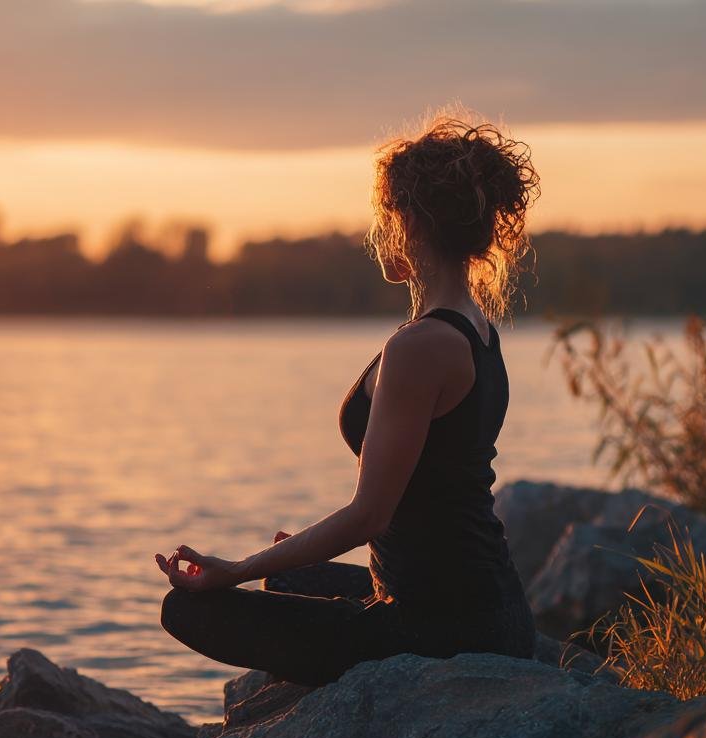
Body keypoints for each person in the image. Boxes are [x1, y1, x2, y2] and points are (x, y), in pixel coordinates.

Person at [154, 114, 540, 686]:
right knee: (286, 577)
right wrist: (301, 552)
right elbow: (421, 495)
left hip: (441, 631)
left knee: (187, 609)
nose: (375, 233)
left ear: (409, 221)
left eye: (382, 217)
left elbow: (369, 514)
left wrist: (233, 570)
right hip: (485, 604)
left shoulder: (421, 346)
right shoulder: (475, 328)